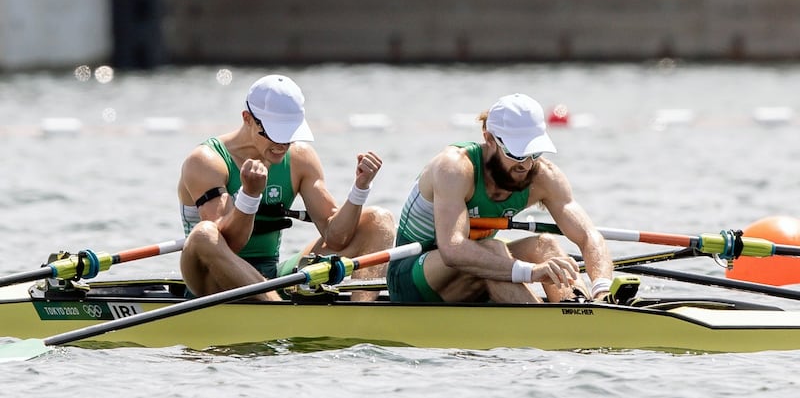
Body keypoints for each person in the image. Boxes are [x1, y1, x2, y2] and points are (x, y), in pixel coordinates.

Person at [178, 74, 396, 301]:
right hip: (211, 280)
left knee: (379, 220)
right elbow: (229, 244)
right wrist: (250, 195)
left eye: (289, 133)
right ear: (248, 118)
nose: (283, 145)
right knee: (204, 234)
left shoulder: (300, 159)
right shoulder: (205, 161)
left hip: (270, 276)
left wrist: (360, 188)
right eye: (276, 133)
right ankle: (277, 311)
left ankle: (359, 321)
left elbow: (336, 238)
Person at [387, 93, 614, 304]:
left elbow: (588, 236)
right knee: (494, 250)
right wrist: (531, 272)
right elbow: (453, 249)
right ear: (489, 139)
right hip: (412, 278)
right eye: (517, 153)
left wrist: (602, 287)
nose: (526, 164)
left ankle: (581, 309)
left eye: (534, 152)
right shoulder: (454, 168)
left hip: (474, 268)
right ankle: (549, 328)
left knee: (545, 244)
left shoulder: (544, 176)